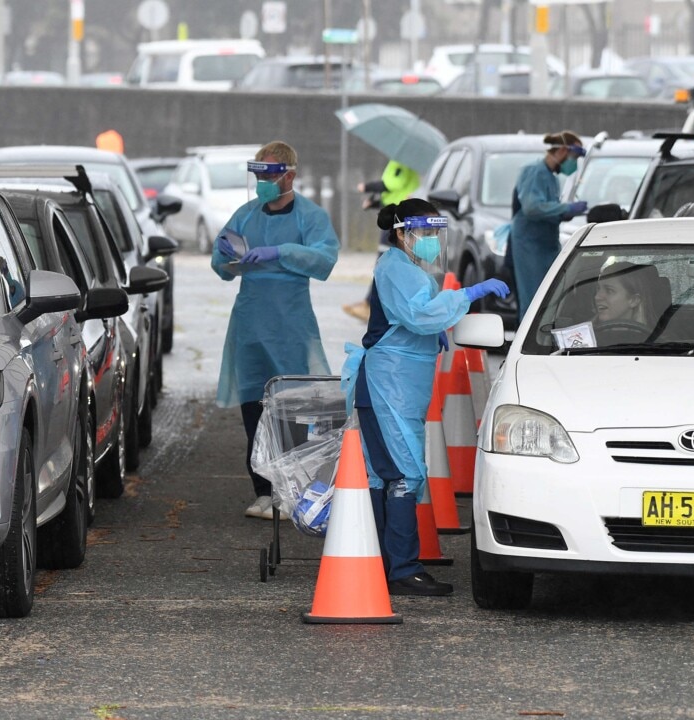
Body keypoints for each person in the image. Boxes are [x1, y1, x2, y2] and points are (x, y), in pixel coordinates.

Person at [342, 198, 510, 596]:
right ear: (401, 233)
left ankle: (385, 563)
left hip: (396, 388)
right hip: (387, 386)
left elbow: (416, 317)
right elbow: (418, 315)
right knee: (404, 475)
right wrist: (468, 293)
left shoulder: (408, 268)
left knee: (389, 475)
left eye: (437, 233)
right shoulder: (396, 267)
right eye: (425, 233)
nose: (432, 240)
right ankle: (401, 569)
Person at [211, 141, 339, 520]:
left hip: (290, 324)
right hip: (250, 322)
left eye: (270, 175)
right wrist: (227, 255)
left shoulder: (310, 217)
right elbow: (220, 262)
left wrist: (280, 251)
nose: (263, 182)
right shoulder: (246, 214)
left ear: (289, 175)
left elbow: (325, 258)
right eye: (258, 175)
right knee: (254, 407)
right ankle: (263, 491)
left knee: (293, 408)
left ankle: (292, 490)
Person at [510, 131, 588, 323]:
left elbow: (547, 209)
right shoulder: (534, 171)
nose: (574, 163)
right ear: (563, 150)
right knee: (533, 299)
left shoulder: (551, 177)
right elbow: (532, 207)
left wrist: (563, 213)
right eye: (574, 157)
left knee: (549, 298)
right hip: (530, 245)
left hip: (546, 244)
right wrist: (566, 207)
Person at [343, 160, 421, 322]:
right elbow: (396, 193)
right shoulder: (404, 163)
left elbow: (393, 184)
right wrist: (375, 203)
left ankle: (372, 306)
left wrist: (366, 187)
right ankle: (373, 305)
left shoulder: (402, 163)